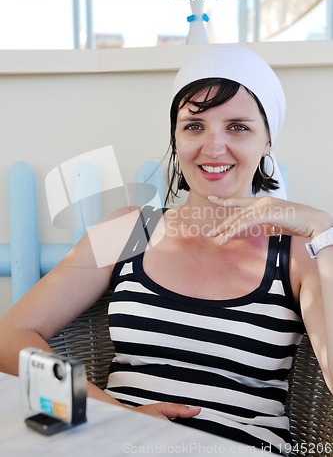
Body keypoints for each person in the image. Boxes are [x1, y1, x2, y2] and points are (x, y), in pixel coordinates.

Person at [0, 45, 332, 456]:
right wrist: (112, 412)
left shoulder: (298, 251)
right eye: (194, 126)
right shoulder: (130, 228)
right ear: (175, 137)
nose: (213, 148)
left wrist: (324, 229)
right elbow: (10, 337)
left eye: (238, 127)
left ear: (267, 142)